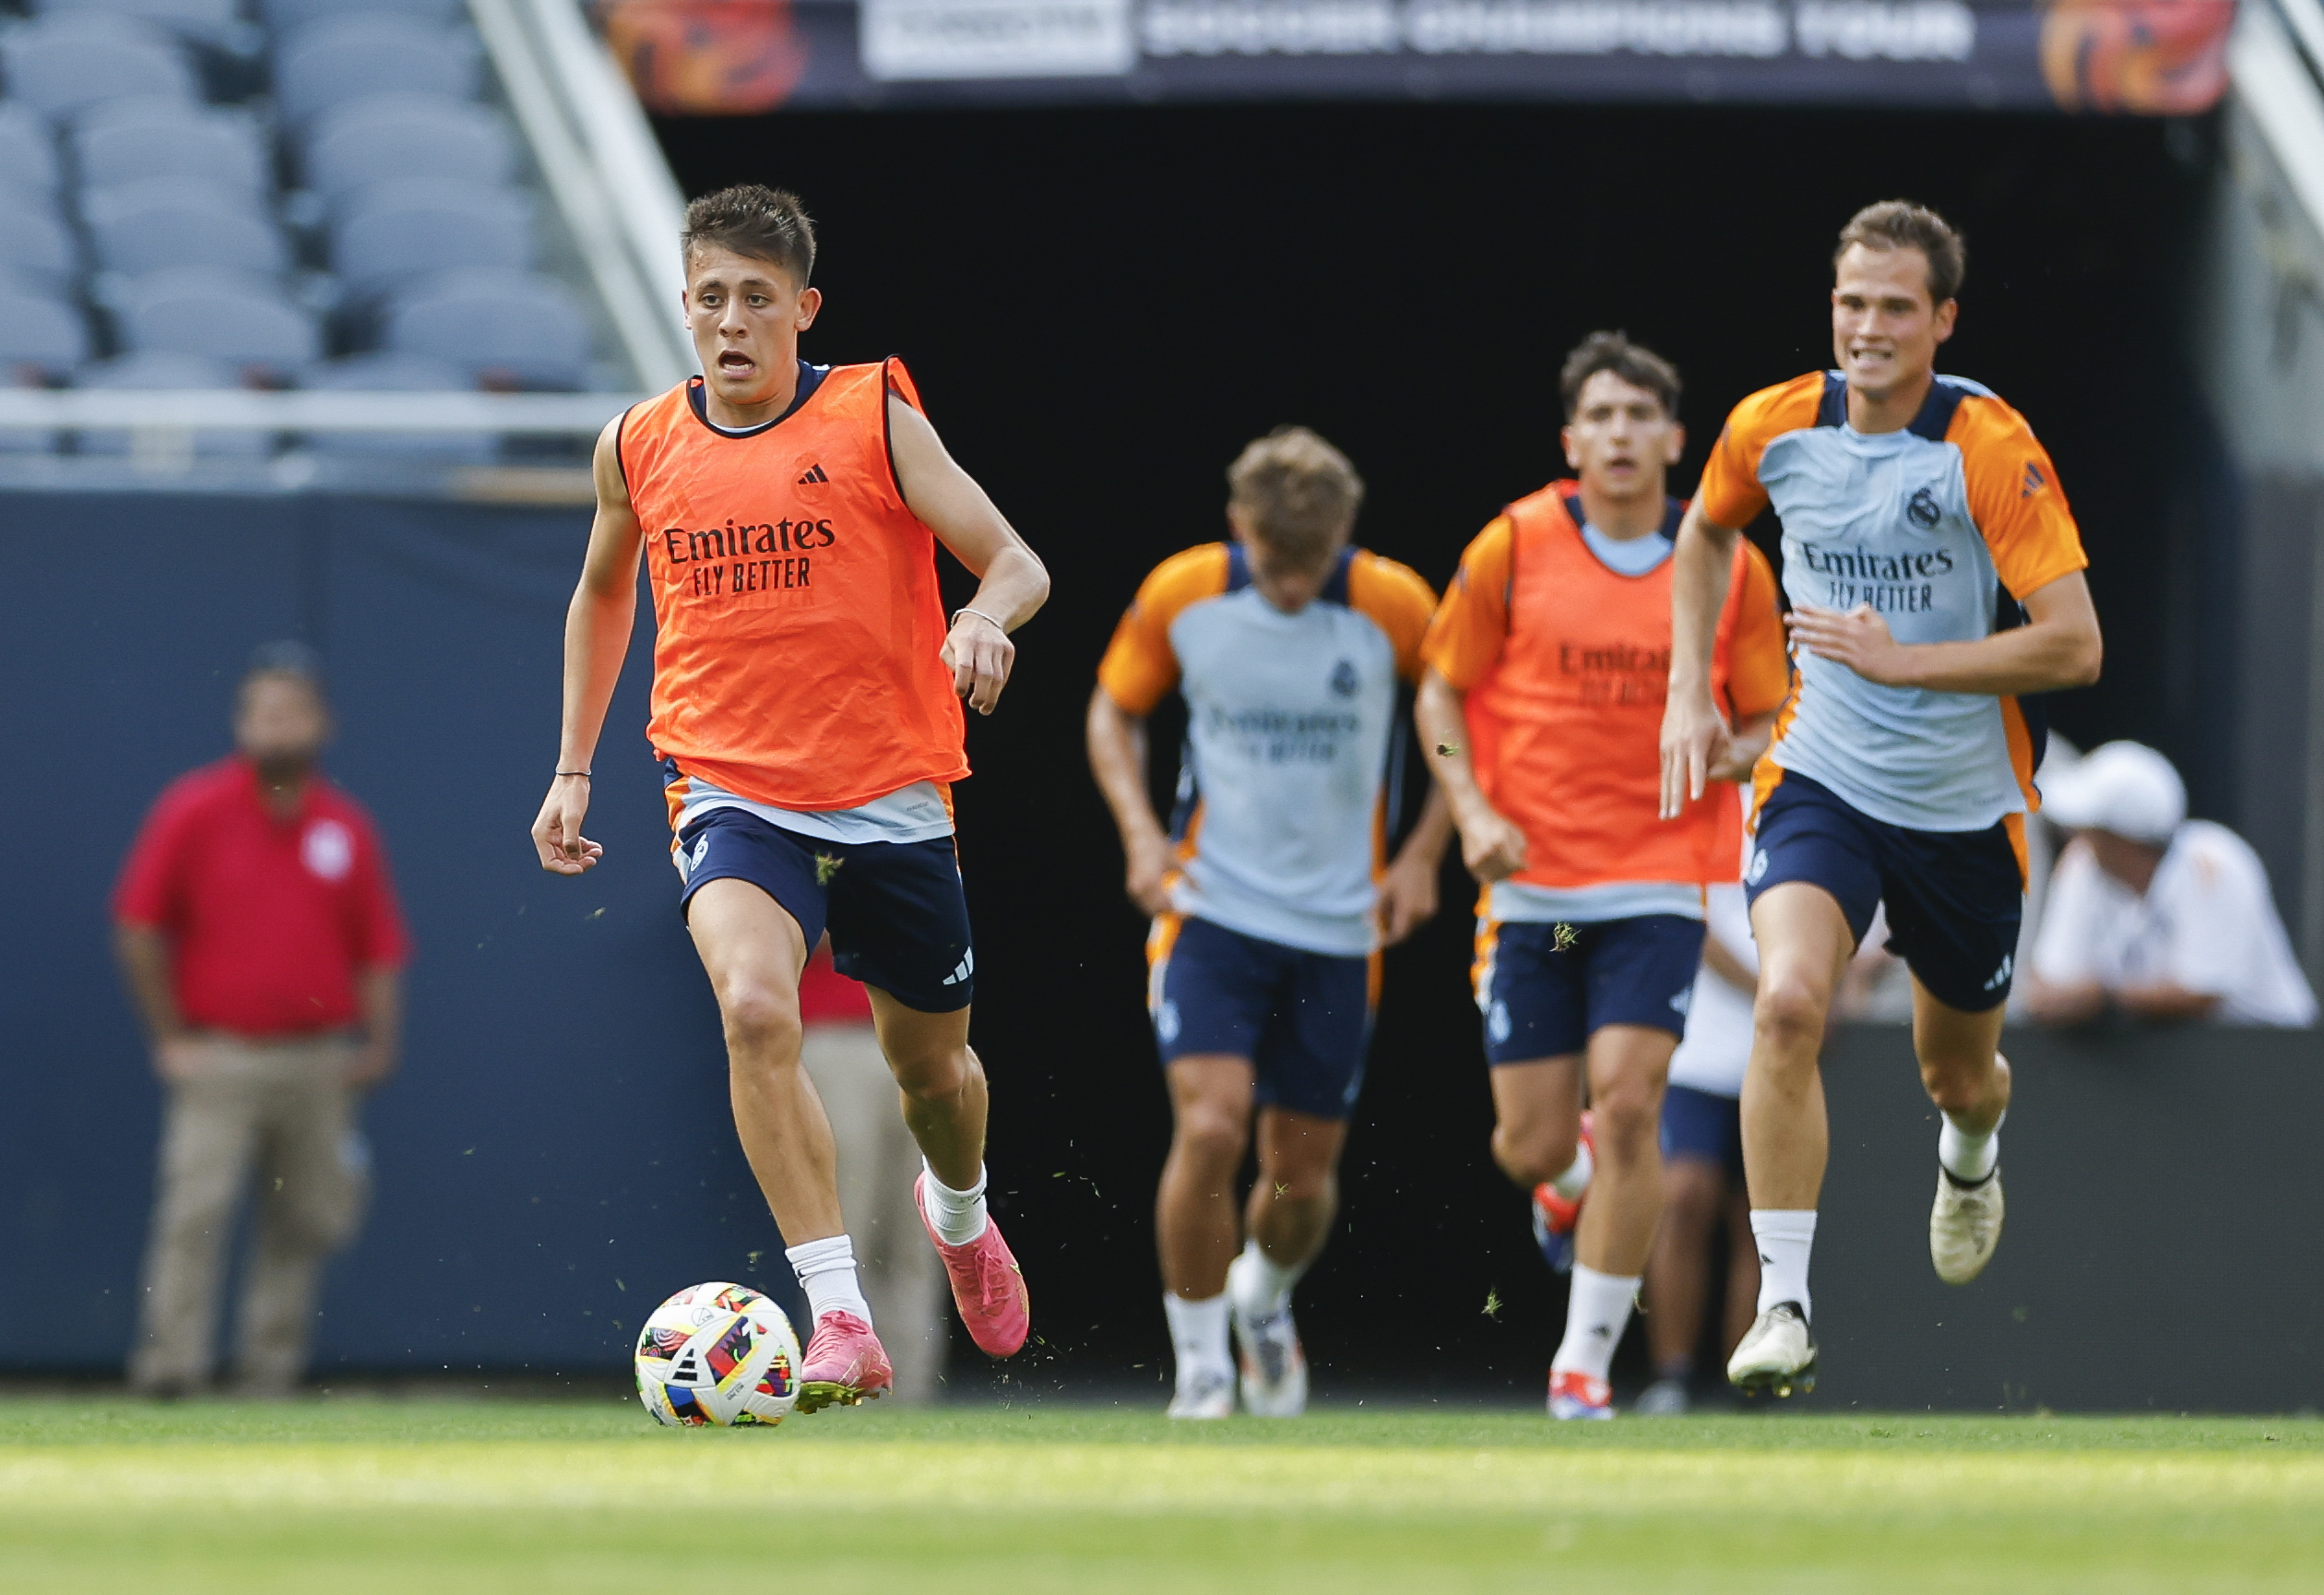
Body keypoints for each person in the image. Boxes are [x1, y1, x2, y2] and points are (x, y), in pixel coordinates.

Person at [530, 184, 1048, 1411]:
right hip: (725, 784)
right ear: (683, 306)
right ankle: (839, 1315)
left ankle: (959, 1215)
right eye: (708, 296)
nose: (728, 321)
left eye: (755, 299)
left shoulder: (873, 412)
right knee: (755, 1009)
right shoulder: (638, 444)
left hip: (886, 792)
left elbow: (1015, 559)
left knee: (935, 1083)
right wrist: (570, 765)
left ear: (800, 310)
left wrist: (980, 617)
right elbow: (604, 595)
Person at [1661, 200, 2103, 1399]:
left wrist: (1905, 660)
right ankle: (1784, 1304)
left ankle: (1969, 1155)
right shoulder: (1771, 425)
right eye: (1850, 302)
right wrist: (1685, 695)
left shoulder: (1984, 447)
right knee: (1786, 1006)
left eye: (1894, 306)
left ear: (1939, 319)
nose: (1866, 327)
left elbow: (2071, 647)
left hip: (1964, 806)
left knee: (1955, 1075)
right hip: (1822, 774)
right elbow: (1702, 535)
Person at [1418, 332, 1786, 1421]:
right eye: (1601, 416)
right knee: (1528, 1139)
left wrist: (1731, 748)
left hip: (1658, 885)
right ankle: (1563, 1177)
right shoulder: (1515, 544)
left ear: (1676, 440)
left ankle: (1581, 1365)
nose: (1621, 434)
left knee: (1632, 1107)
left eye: (1641, 417)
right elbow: (1439, 700)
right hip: (1534, 894)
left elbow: (1769, 713)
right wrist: (1471, 809)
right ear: (1571, 438)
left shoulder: (1727, 563)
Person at [1086, 427, 1448, 1421]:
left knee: (1299, 1180)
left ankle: (1265, 1297)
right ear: (1240, 527)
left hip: (1339, 928)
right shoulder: (1185, 594)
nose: (1293, 586)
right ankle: (1200, 1366)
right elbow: (1112, 711)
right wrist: (1138, 838)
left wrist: (1422, 852)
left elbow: (1456, 719)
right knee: (1208, 1125)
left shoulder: (1392, 603)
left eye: (1314, 561)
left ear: (1347, 534)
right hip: (1212, 912)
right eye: (1277, 562)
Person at [113, 644, 409, 1398]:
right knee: (195, 1209)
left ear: (321, 723)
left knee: (305, 1220)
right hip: (221, 1055)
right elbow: (139, 926)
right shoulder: (194, 810)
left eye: (293, 712)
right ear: (241, 721)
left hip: (317, 1059)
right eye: (264, 712)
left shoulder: (344, 826)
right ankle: (170, 1367)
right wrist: (170, 1037)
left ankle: (268, 1370)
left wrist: (378, 1043)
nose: (278, 728)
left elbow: (376, 947)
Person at [2024, 741, 2315, 1029]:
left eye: (2093, 828)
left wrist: (2101, 997)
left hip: (2271, 1054)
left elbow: (2202, 995)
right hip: (2162, 1061)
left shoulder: (2216, 861)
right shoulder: (2082, 864)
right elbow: (2052, 984)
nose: (2077, 835)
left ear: (2125, 839)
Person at [797, 941, 951, 1399]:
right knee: (843, 1229)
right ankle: (836, 1390)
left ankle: (911, 1397)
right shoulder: (808, 864)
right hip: (836, 1037)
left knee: (921, 1230)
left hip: (928, 1036)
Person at [1632, 860, 1760, 1415]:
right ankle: (1673, 1375)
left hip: (1788, 1056)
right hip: (1699, 1050)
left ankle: (1750, 1381)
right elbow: (1693, 921)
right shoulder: (1694, 801)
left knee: (1761, 1219)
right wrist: (1783, 995)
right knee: (1684, 1200)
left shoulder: (1808, 791)